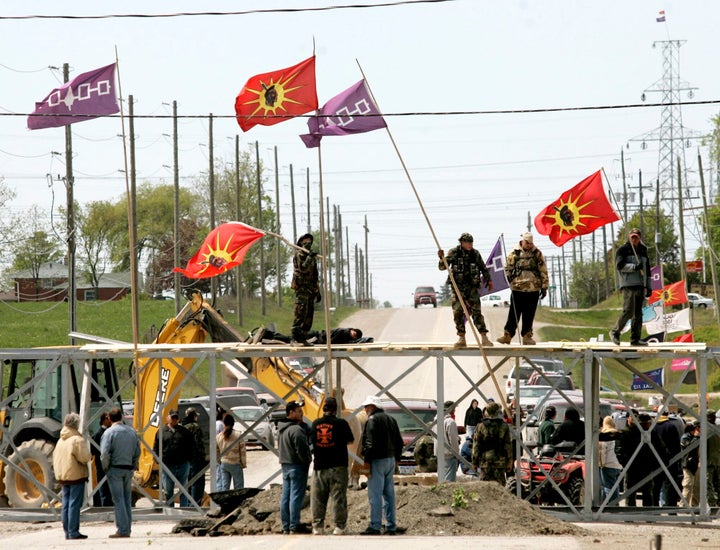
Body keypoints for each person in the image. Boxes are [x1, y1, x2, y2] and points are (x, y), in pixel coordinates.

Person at [438, 232, 494, 348]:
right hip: (458, 289)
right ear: (462, 243)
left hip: (472, 288)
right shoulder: (454, 252)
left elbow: (483, 268)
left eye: (471, 242)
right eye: (467, 242)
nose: (470, 245)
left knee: (477, 313)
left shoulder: (475, 254)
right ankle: (461, 338)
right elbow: (442, 267)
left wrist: (489, 281)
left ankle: (484, 337)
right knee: (458, 313)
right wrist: (441, 258)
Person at [309, 397, 355, 535]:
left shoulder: (315, 424)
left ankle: (318, 527)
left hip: (320, 466)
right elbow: (350, 441)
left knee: (318, 498)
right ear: (336, 409)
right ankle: (339, 527)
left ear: (324, 408)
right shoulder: (341, 423)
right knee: (338, 497)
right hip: (338, 466)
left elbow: (311, 442)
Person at [360, 394, 404, 536]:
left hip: (377, 461)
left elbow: (369, 443)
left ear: (373, 406)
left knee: (375, 495)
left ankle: (375, 525)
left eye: (367, 407)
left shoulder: (372, 420)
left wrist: (366, 461)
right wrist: (396, 458)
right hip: (390, 460)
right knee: (389, 494)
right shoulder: (391, 419)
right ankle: (391, 526)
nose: (365, 409)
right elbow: (399, 441)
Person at [497, 232, 549, 346]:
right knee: (514, 313)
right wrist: (508, 278)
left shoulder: (537, 254)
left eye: (531, 243)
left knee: (529, 314)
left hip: (533, 289)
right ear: (522, 241)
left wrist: (544, 287)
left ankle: (527, 336)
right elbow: (507, 268)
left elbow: (543, 270)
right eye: (527, 243)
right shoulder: (514, 253)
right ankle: (508, 335)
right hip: (518, 288)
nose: (529, 245)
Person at [100, 406, 140, 539]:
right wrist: (133, 465)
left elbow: (104, 454)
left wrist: (106, 467)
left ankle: (122, 529)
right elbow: (137, 452)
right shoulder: (131, 432)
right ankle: (127, 527)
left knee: (118, 500)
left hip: (115, 468)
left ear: (109, 418)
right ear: (122, 417)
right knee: (127, 499)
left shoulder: (109, 433)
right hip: (128, 468)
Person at [610, 227, 652, 346]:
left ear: (640, 238)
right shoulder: (623, 249)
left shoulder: (644, 250)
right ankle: (615, 332)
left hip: (640, 284)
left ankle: (635, 339)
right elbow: (619, 265)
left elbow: (647, 270)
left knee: (638, 314)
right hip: (628, 284)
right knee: (628, 311)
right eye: (632, 237)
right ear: (629, 237)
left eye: (636, 237)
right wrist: (633, 267)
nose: (634, 239)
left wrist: (649, 286)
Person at [53, 412, 91, 540]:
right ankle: (73, 531)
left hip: (63, 475)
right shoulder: (77, 440)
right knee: (74, 504)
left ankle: (67, 531)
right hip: (75, 475)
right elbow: (85, 457)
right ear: (76, 424)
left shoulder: (60, 440)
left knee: (66, 503)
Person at [278, 400, 312, 534]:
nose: (301, 413)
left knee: (285, 497)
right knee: (296, 497)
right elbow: (302, 451)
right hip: (297, 466)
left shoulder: (282, 429)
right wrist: (307, 462)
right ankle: (294, 525)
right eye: (298, 411)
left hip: (286, 466)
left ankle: (286, 525)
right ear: (291, 413)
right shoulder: (296, 430)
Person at [153, 409, 193, 507]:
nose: (174, 420)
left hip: (183, 464)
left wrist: (189, 460)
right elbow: (156, 447)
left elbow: (191, 446)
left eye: (176, 418)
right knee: (168, 490)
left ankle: (184, 508)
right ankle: (170, 508)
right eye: (172, 417)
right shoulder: (161, 431)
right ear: (168, 418)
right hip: (167, 465)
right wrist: (157, 460)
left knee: (183, 489)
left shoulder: (185, 432)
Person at [290, 233, 320, 345]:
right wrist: (309, 257)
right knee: (300, 313)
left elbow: (315, 276)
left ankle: (302, 337)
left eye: (310, 240)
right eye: (305, 240)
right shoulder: (299, 254)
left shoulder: (312, 256)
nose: (308, 242)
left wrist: (317, 291)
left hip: (310, 290)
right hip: (302, 289)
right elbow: (302, 268)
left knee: (309, 315)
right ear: (301, 242)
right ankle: (295, 338)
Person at [472, 402, 512, 485]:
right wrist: (509, 462)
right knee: (500, 488)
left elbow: (476, 446)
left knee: (485, 488)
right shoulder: (504, 426)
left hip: (485, 462)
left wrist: (474, 462)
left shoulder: (481, 426)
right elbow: (508, 445)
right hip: (500, 462)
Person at [182, 407, 207, 504]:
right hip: (196, 459)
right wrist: (202, 458)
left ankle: (188, 503)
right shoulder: (195, 427)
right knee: (197, 482)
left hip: (185, 460)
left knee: (187, 482)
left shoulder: (182, 426)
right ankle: (195, 504)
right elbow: (198, 444)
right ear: (194, 416)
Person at [216, 414, 247, 490]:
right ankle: (238, 501)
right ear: (233, 423)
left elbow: (217, 452)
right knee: (239, 487)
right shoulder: (238, 435)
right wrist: (243, 464)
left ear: (224, 423)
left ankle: (225, 501)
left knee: (225, 487)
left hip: (224, 464)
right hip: (235, 463)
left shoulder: (219, 436)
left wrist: (220, 461)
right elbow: (242, 451)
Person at [599, 416, 623, 503]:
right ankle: (612, 504)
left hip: (607, 465)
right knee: (615, 486)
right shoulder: (616, 433)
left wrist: (601, 464)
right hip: (617, 465)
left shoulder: (605, 434)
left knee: (608, 487)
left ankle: (612, 505)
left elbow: (602, 451)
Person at [91, 411, 113, 506]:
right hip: (102, 465)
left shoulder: (106, 432)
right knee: (104, 488)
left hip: (105, 464)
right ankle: (106, 506)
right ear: (104, 420)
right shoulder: (99, 434)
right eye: (108, 419)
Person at [434, 400, 459, 482]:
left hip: (439, 453)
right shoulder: (450, 422)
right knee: (449, 481)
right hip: (449, 454)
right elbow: (453, 440)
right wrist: (456, 454)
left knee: (441, 478)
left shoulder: (436, 420)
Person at [680, 420, 700, 507]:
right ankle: (683, 505)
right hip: (688, 464)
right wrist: (696, 437)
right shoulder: (685, 437)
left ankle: (694, 505)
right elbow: (689, 448)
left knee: (697, 486)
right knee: (688, 485)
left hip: (697, 463)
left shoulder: (699, 437)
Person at [705, 410, 720, 506]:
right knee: (717, 482)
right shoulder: (717, 429)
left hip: (708, 460)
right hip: (717, 460)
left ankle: (712, 503)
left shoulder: (706, 430)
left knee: (708, 483)